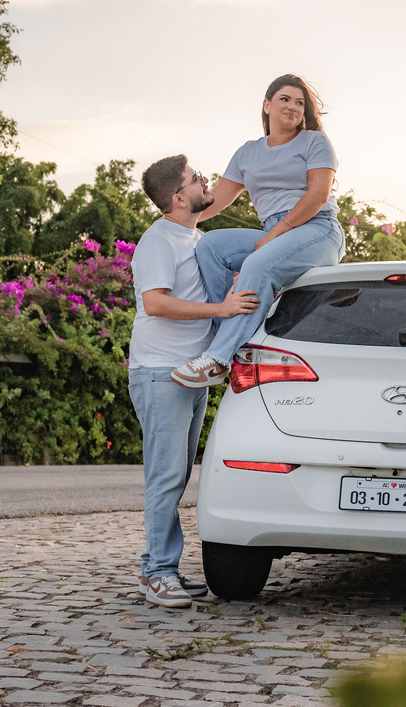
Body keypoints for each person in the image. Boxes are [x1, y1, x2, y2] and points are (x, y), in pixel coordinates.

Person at [129, 154, 260, 607]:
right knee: (165, 477)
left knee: (179, 474)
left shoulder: (196, 238)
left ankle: (164, 569)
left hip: (190, 373)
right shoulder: (158, 242)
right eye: (196, 178)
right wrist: (221, 310)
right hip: (160, 372)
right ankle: (157, 572)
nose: (205, 181)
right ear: (178, 197)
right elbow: (157, 304)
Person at [170, 74, 346, 388]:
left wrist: (274, 235)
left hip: (317, 229)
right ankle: (220, 333)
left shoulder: (314, 142)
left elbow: (318, 195)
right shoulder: (248, 153)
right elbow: (216, 203)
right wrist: (171, 222)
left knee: (257, 263)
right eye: (285, 99)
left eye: (300, 102)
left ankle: (219, 359)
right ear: (266, 105)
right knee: (210, 246)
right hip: (275, 232)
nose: (293, 106)